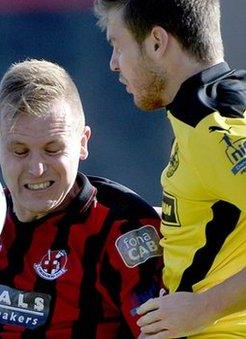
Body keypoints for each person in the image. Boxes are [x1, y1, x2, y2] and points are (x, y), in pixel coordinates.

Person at [0, 59, 163, 338]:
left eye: (52, 149)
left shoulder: (122, 229)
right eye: (20, 151)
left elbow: (159, 333)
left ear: (82, 142)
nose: (36, 169)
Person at [94, 0, 246, 338]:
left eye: (118, 46)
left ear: (157, 42)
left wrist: (205, 307)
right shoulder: (214, 104)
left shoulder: (213, 127)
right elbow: (219, 218)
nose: (113, 64)